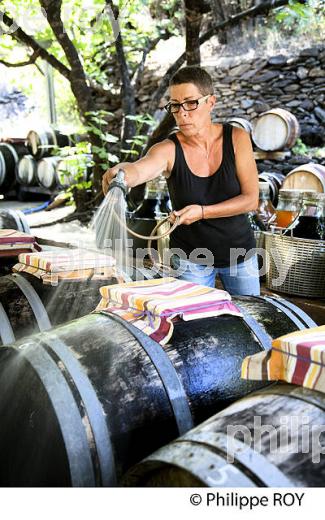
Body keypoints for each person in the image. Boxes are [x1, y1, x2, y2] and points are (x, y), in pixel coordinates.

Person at [102, 66, 260, 295]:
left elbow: (251, 200)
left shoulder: (236, 138)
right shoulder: (168, 149)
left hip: (240, 255)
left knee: (251, 321)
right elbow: (140, 169)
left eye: (191, 102)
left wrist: (202, 212)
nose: (182, 112)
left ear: (211, 102)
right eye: (175, 105)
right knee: (194, 327)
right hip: (190, 260)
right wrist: (122, 174)